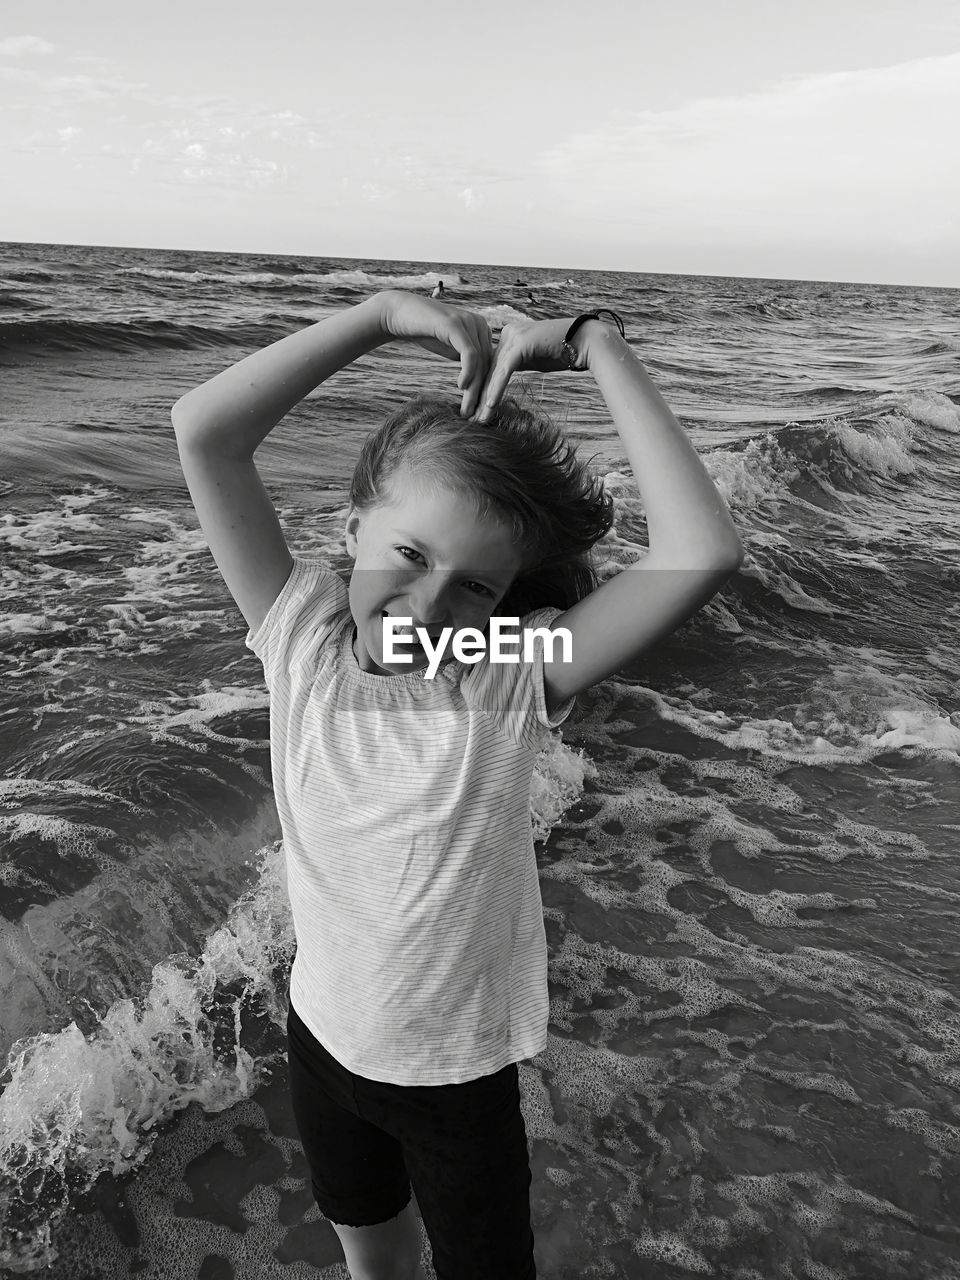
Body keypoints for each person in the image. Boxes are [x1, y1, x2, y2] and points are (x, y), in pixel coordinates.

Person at [171, 291, 744, 1280]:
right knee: (375, 1265)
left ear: (502, 601)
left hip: (455, 1079)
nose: (432, 605)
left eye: (474, 585)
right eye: (409, 552)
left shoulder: (507, 673)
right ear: (353, 527)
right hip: (322, 1044)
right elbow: (205, 433)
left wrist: (594, 341)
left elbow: (700, 552)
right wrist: (380, 316)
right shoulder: (299, 635)